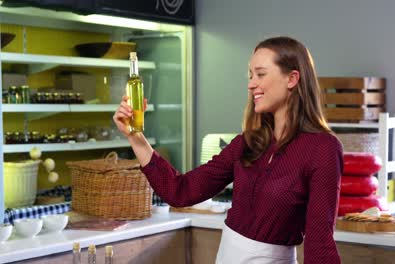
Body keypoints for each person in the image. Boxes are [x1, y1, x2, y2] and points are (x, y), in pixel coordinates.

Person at [113, 36, 343, 264]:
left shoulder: (322, 149)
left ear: (292, 78)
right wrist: (135, 137)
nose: (251, 83)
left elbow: (319, 244)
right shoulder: (248, 143)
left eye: (260, 74)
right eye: (251, 75)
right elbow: (180, 191)